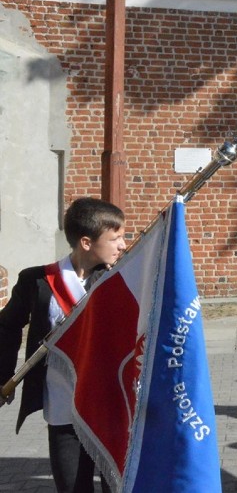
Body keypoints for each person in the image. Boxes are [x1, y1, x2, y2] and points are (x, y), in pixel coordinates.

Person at [0, 197, 126, 493]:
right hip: (62, 408)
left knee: (118, 487)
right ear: (86, 242)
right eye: (115, 238)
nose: (122, 245)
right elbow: (6, 326)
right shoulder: (37, 281)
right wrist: (4, 374)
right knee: (71, 487)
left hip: (110, 409)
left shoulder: (119, 279)